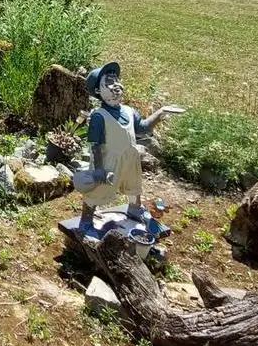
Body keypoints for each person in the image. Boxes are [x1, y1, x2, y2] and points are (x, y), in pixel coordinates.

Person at [74, 62, 179, 233]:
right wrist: (99, 170)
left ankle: (135, 208)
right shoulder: (99, 117)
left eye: (116, 80)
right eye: (108, 82)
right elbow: (95, 145)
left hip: (130, 158)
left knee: (133, 184)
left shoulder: (129, 111)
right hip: (109, 162)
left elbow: (143, 127)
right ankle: (86, 221)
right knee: (98, 191)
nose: (115, 85)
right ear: (98, 91)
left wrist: (161, 113)